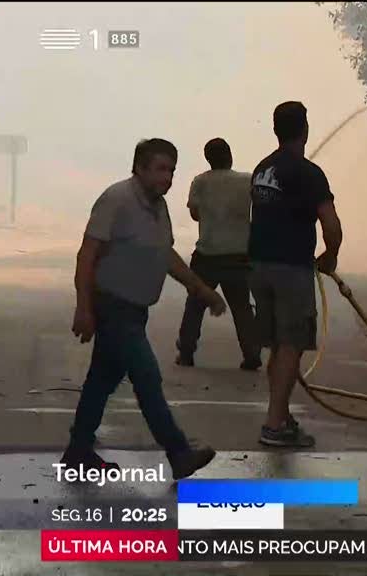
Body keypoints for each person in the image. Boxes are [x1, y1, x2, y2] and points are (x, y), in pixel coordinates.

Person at [65, 138, 225, 479]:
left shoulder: (158, 206)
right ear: (139, 168)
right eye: (160, 169)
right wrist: (84, 308)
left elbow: (165, 255)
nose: (166, 178)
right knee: (147, 377)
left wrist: (201, 289)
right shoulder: (117, 200)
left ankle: (78, 450)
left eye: (171, 171)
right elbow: (87, 255)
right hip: (112, 307)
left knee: (101, 381)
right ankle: (179, 453)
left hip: (135, 310)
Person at [248, 101, 342, 448]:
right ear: (304, 129)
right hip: (290, 269)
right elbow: (331, 225)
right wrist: (330, 256)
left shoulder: (262, 169)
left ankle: (282, 416)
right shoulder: (309, 173)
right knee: (291, 344)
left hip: (258, 267)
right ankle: (274, 424)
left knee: (278, 344)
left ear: (276, 130)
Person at [175, 138, 262, 371]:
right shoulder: (247, 180)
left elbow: (195, 214)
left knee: (195, 305)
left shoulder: (200, 182)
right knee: (242, 307)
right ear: (230, 155)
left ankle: (186, 352)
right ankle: (252, 353)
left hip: (208, 253)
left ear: (208, 159)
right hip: (238, 255)